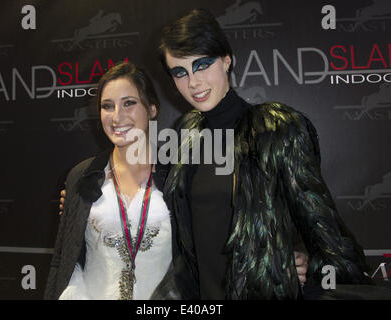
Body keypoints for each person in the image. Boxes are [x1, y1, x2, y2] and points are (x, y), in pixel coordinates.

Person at [155, 8, 378, 300]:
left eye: (202, 64)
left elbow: (322, 226)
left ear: (226, 60)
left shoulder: (275, 128)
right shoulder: (186, 135)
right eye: (180, 72)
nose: (193, 82)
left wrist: (309, 265)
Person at [44, 62, 175, 300]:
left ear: (152, 108)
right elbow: (65, 260)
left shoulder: (179, 174)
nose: (116, 117)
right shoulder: (82, 176)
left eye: (129, 103)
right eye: (107, 106)